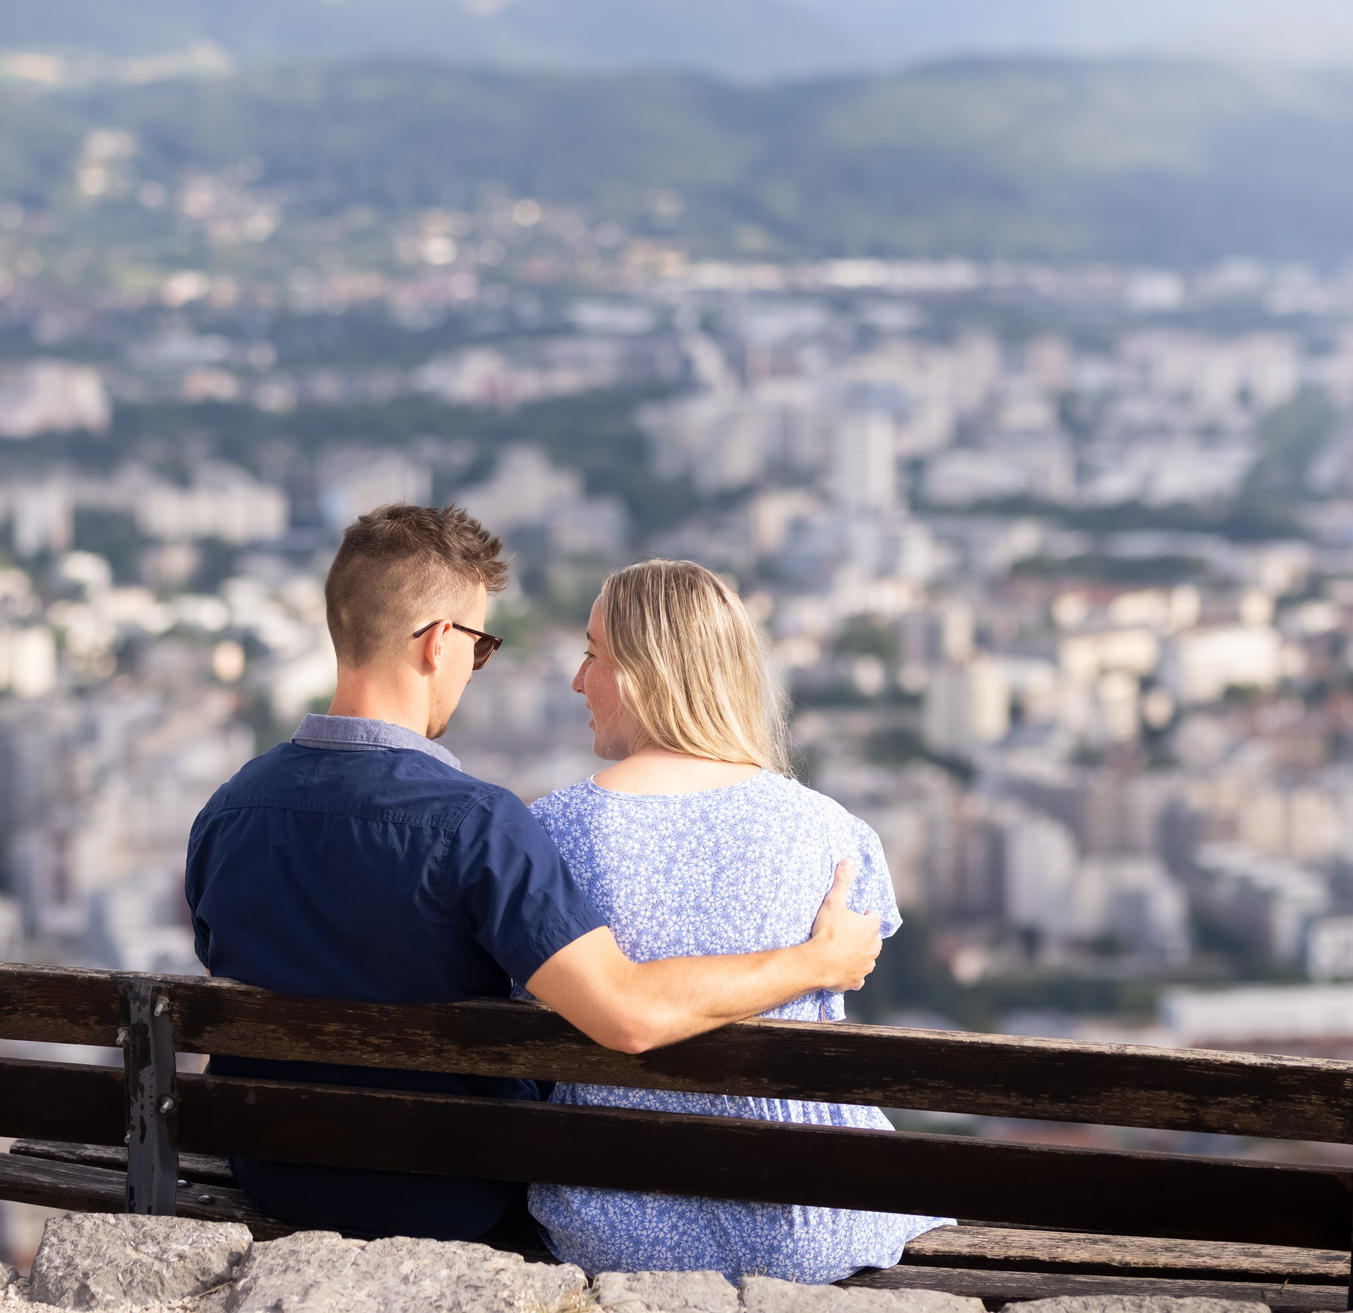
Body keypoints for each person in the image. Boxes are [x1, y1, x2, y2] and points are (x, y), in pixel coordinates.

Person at [184, 505, 884, 1242]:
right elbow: (628, 1014)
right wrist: (816, 961)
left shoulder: (229, 810)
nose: (475, 671)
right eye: (480, 648)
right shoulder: (477, 826)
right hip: (448, 1199)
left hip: (274, 1169)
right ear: (437, 643)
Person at [525, 558, 947, 1283]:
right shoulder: (829, 832)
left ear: (645, 672)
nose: (576, 679)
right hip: (813, 1216)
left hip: (615, 1221)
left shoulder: (548, 834)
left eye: (592, 654)